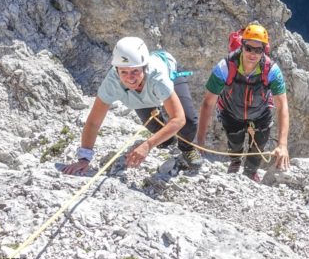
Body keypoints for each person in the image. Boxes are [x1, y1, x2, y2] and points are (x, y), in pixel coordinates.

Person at [63, 37, 202, 175]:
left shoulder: (158, 77)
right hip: (140, 97)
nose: (130, 78)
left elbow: (178, 119)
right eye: (124, 72)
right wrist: (84, 158)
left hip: (168, 75)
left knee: (189, 121)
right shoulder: (111, 82)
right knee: (154, 127)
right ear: (116, 70)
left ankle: (187, 149)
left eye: (135, 71)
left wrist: (147, 145)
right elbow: (94, 122)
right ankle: (168, 141)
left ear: (144, 67)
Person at [197, 23, 290, 181]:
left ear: (264, 50)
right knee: (235, 142)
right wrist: (199, 141)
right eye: (248, 48)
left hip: (261, 115)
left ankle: (250, 172)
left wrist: (283, 144)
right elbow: (208, 103)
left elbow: (282, 107)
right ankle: (235, 162)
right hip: (231, 112)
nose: (253, 54)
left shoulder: (272, 71)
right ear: (242, 45)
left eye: (258, 50)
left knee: (258, 147)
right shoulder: (225, 67)